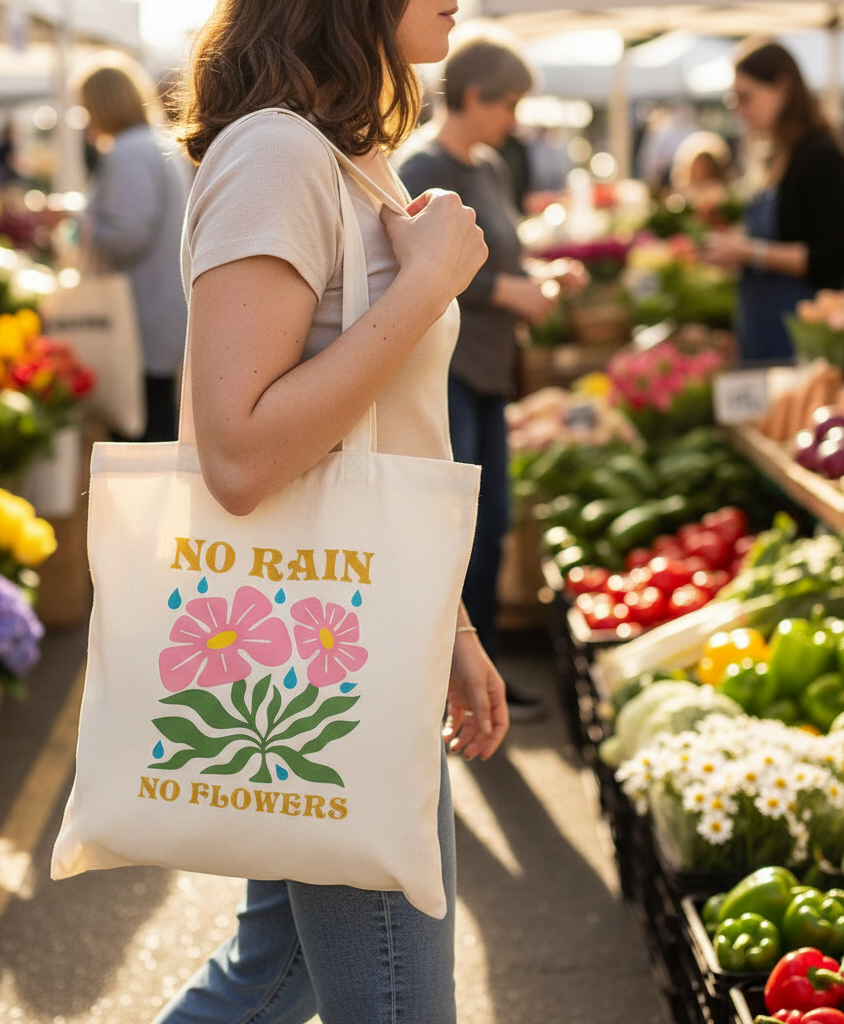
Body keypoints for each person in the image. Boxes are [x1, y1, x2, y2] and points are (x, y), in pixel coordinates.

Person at [153, 1, 509, 1021]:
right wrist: (429, 283)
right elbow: (238, 451)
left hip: (352, 633)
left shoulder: (345, 160)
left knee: (274, 971)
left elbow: (384, 434)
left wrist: (451, 621)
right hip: (328, 659)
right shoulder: (278, 156)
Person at [395, 24, 584, 721]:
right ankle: (441, 685)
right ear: (473, 97)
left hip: (488, 369)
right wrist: (508, 292)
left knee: (492, 523)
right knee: (454, 528)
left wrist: (537, 274)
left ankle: (483, 677)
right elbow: (418, 272)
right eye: (507, 105)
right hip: (445, 370)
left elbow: (493, 255)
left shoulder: (492, 168)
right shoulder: (417, 169)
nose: (514, 120)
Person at [702, 39, 844, 364]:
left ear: (782, 86)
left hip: (800, 338)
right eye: (733, 99)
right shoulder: (776, 154)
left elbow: (832, 256)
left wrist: (749, 252)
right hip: (761, 328)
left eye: (745, 97)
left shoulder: (818, 156)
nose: (739, 110)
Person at [79, 59, 192, 441]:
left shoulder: (129, 151)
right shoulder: (155, 143)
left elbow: (127, 236)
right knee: (157, 420)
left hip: (140, 314)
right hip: (159, 306)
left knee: (143, 429)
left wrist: (80, 226)